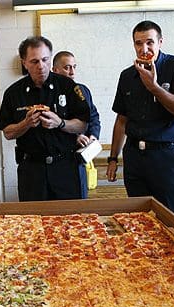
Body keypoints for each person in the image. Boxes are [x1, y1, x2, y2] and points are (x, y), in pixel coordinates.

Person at [107, 20, 174, 221]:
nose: (144, 49)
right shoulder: (127, 75)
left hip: (165, 156)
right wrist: (113, 158)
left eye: (150, 42)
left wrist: (154, 87)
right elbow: (121, 119)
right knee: (138, 220)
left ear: (160, 42)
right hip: (134, 156)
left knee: (172, 219)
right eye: (138, 43)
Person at [0, 36, 90, 201]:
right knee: (33, 216)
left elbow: (82, 125)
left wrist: (60, 123)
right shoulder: (13, 93)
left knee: (70, 215)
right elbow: (7, 132)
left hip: (65, 167)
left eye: (45, 60)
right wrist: (25, 124)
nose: (41, 66)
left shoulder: (68, 86)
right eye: (34, 61)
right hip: (32, 170)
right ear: (24, 63)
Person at [52, 50, 101, 198]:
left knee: (79, 204)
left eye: (74, 67)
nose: (72, 72)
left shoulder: (82, 90)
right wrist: (75, 137)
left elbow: (93, 117)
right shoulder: (48, 93)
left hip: (79, 158)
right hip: (58, 159)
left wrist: (92, 136)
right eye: (67, 67)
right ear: (55, 70)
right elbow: (50, 126)